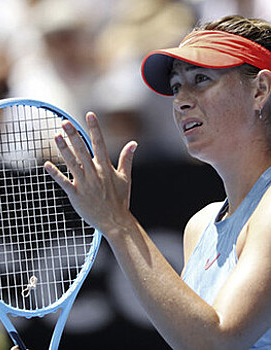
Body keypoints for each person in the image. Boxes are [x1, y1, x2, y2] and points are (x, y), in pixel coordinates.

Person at [43, 15, 271, 349]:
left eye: (201, 79)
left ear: (260, 90)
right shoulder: (201, 225)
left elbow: (216, 342)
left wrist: (118, 223)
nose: (181, 100)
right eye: (177, 86)